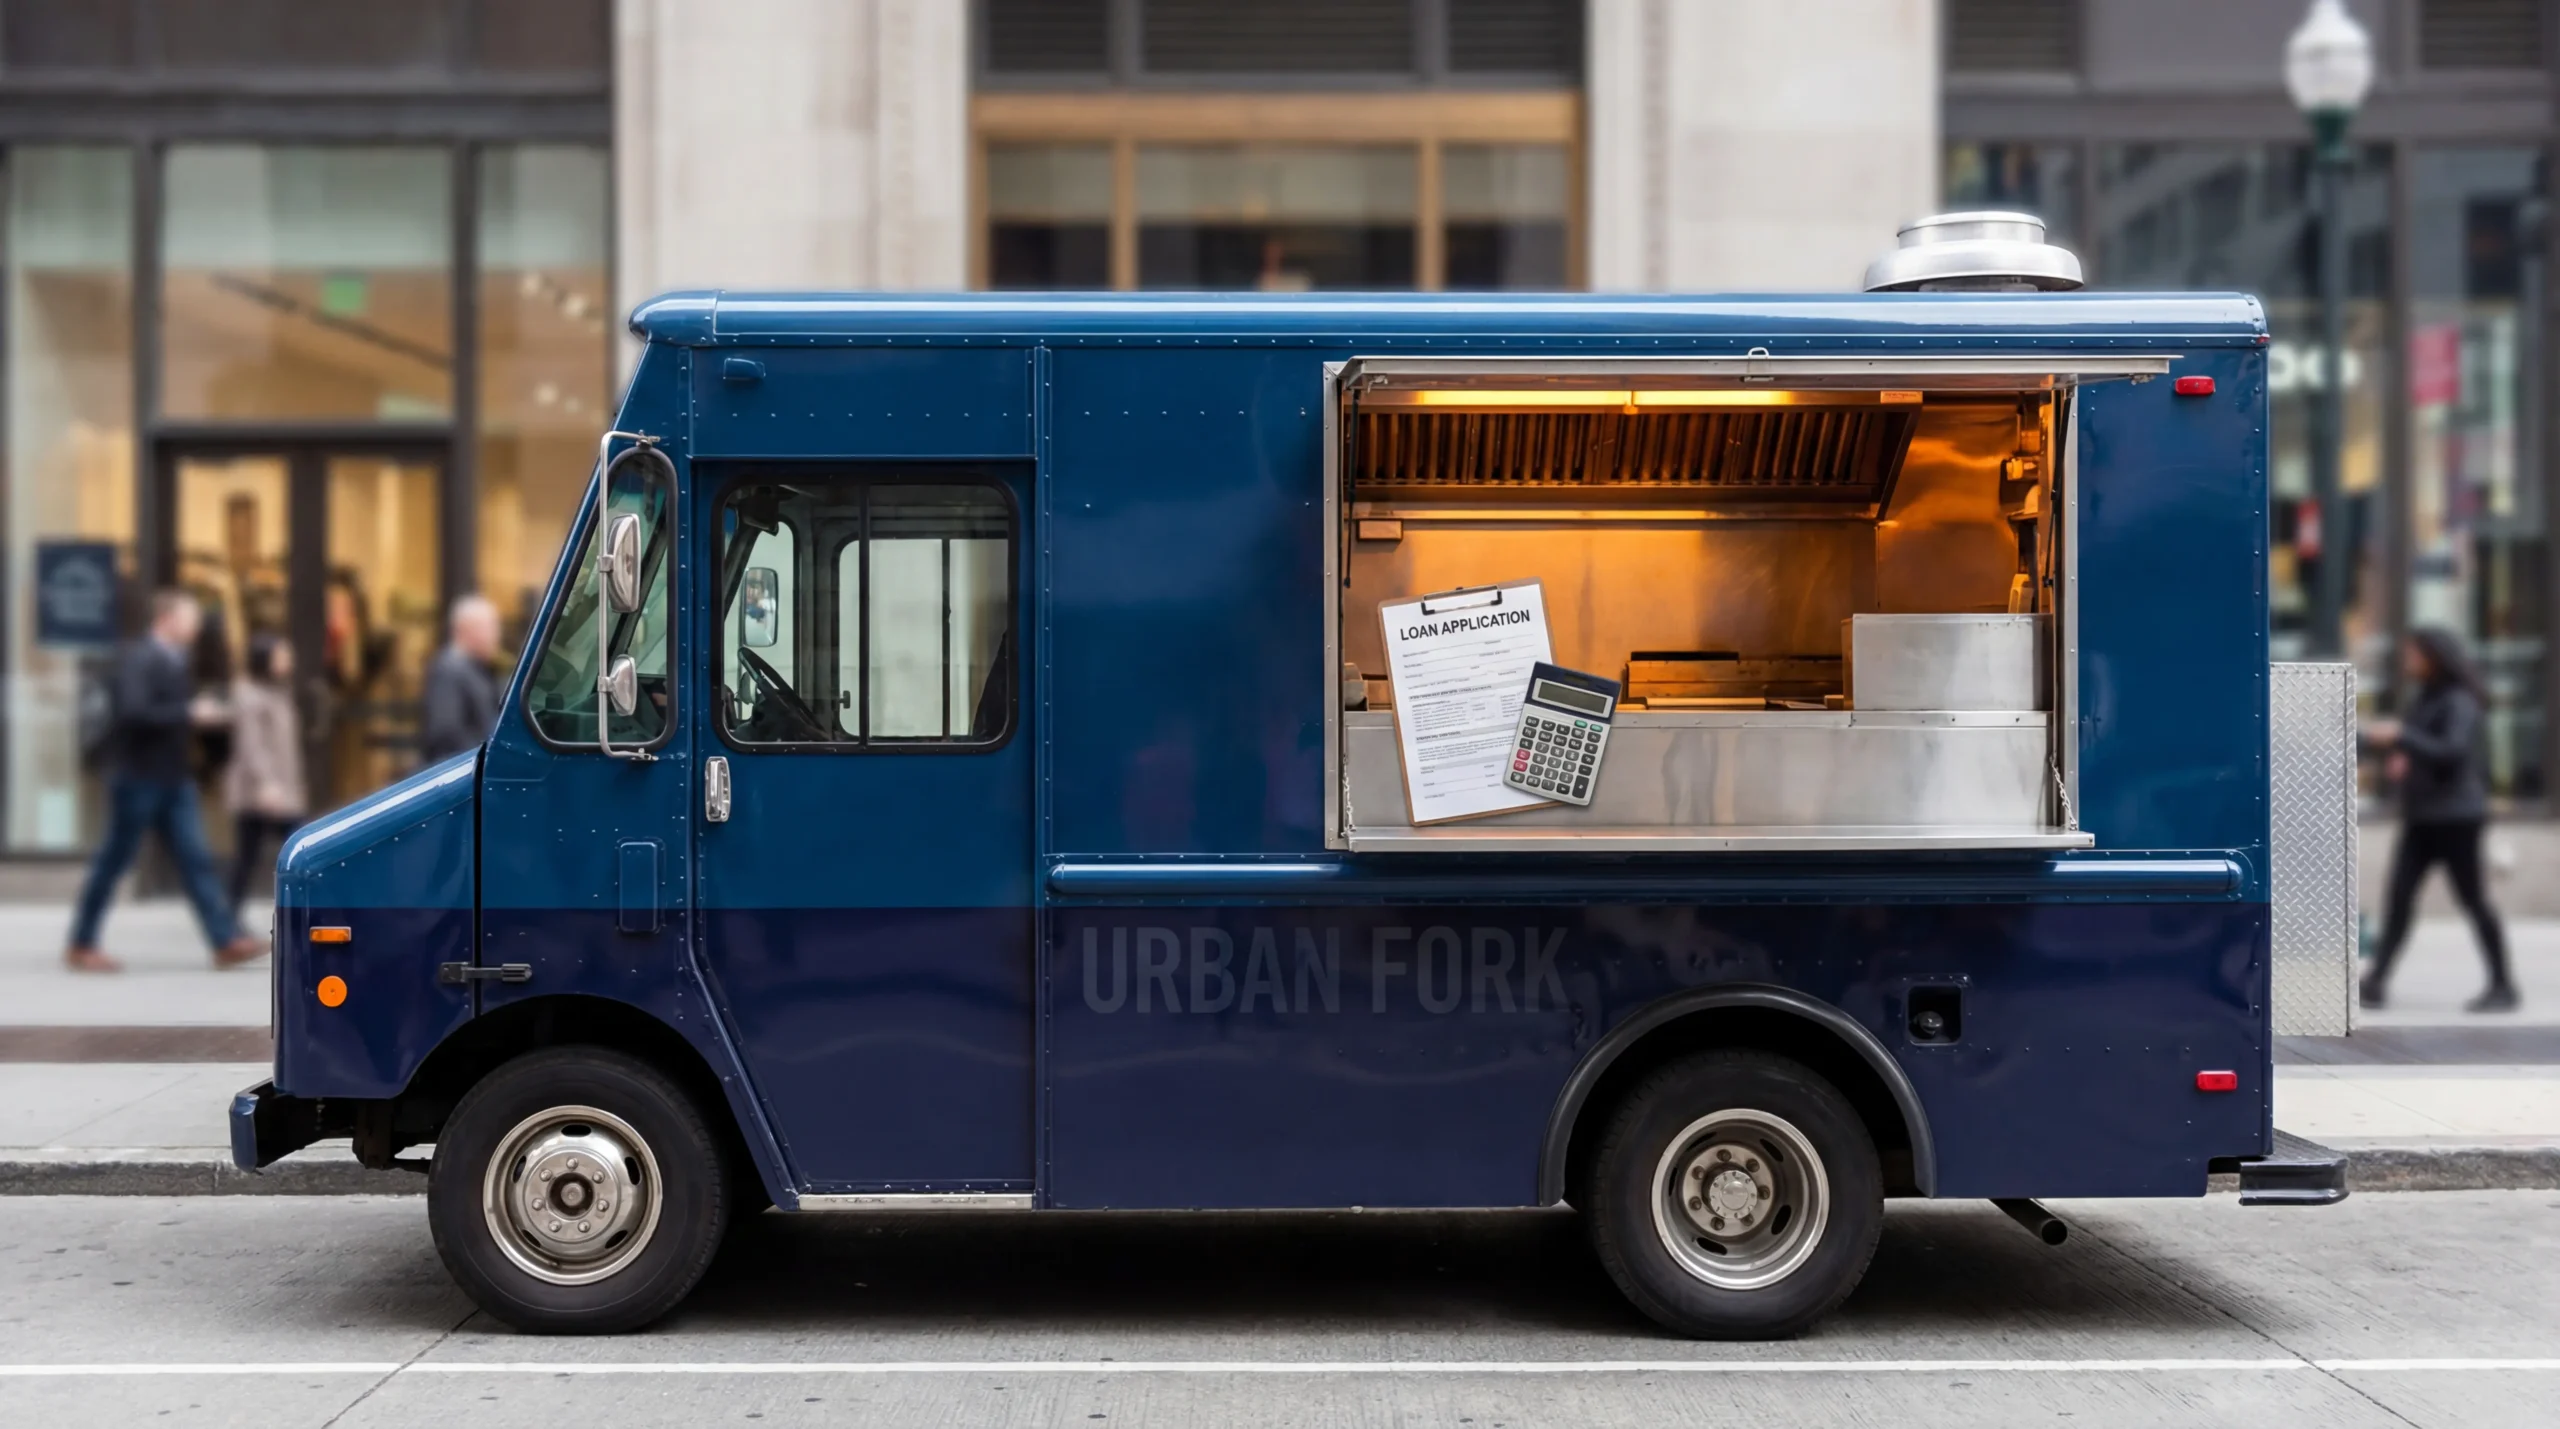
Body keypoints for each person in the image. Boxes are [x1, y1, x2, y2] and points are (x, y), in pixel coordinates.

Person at [65, 590, 265, 973]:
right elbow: (135, 710)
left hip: (173, 778)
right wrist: (189, 713)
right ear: (167, 619)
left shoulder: (178, 659)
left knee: (196, 859)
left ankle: (224, 941)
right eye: (190, 618)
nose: (196, 626)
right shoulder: (142, 657)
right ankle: (82, 941)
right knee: (114, 861)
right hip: (137, 777)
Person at [2361, 627, 2518, 1013]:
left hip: (2456, 818)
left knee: (2473, 899)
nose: (2408, 662)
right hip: (2424, 817)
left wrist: (2402, 736)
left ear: (2434, 656)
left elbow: (2451, 750)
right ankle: (2377, 980)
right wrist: (2403, 753)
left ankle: (2503, 984)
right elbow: (2424, 745)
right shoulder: (2426, 698)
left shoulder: (2459, 700)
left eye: (2414, 654)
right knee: (2399, 898)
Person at [224, 634, 307, 915]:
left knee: (257, 854)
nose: (288, 661)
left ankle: (229, 915)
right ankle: (228, 917)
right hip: (261, 791)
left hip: (282, 787)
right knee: (293, 850)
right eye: (282, 656)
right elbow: (251, 744)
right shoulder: (250, 695)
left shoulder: (279, 692)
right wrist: (265, 783)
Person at [418, 593, 503, 766]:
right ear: (465, 629)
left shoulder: (478, 668)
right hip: (459, 772)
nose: (496, 635)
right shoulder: (449, 670)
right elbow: (446, 734)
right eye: (490, 627)